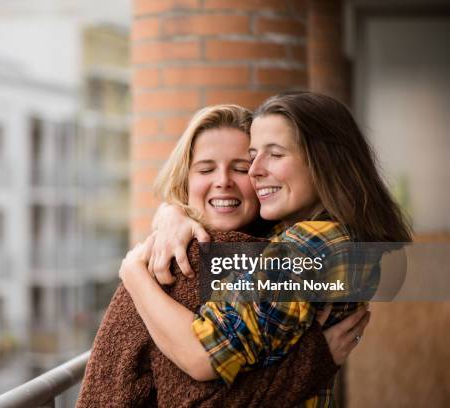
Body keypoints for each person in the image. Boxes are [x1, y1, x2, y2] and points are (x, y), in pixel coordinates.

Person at [121, 93, 412, 406]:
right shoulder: (299, 233)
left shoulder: (308, 246)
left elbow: (203, 355)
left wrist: (133, 274)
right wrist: (171, 213)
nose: (255, 170)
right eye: (254, 155)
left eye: (274, 155)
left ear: (324, 162)